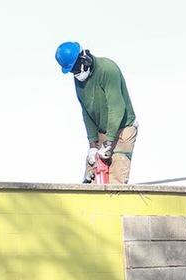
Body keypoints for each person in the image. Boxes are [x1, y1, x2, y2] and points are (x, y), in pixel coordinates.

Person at [55, 41, 137, 184]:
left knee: (115, 181)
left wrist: (108, 142)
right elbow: (86, 112)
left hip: (123, 130)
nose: (75, 73)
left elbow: (117, 107)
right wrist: (93, 145)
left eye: (75, 68)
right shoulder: (79, 80)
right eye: (72, 71)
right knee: (90, 179)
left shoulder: (107, 69)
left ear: (84, 58)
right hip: (102, 132)